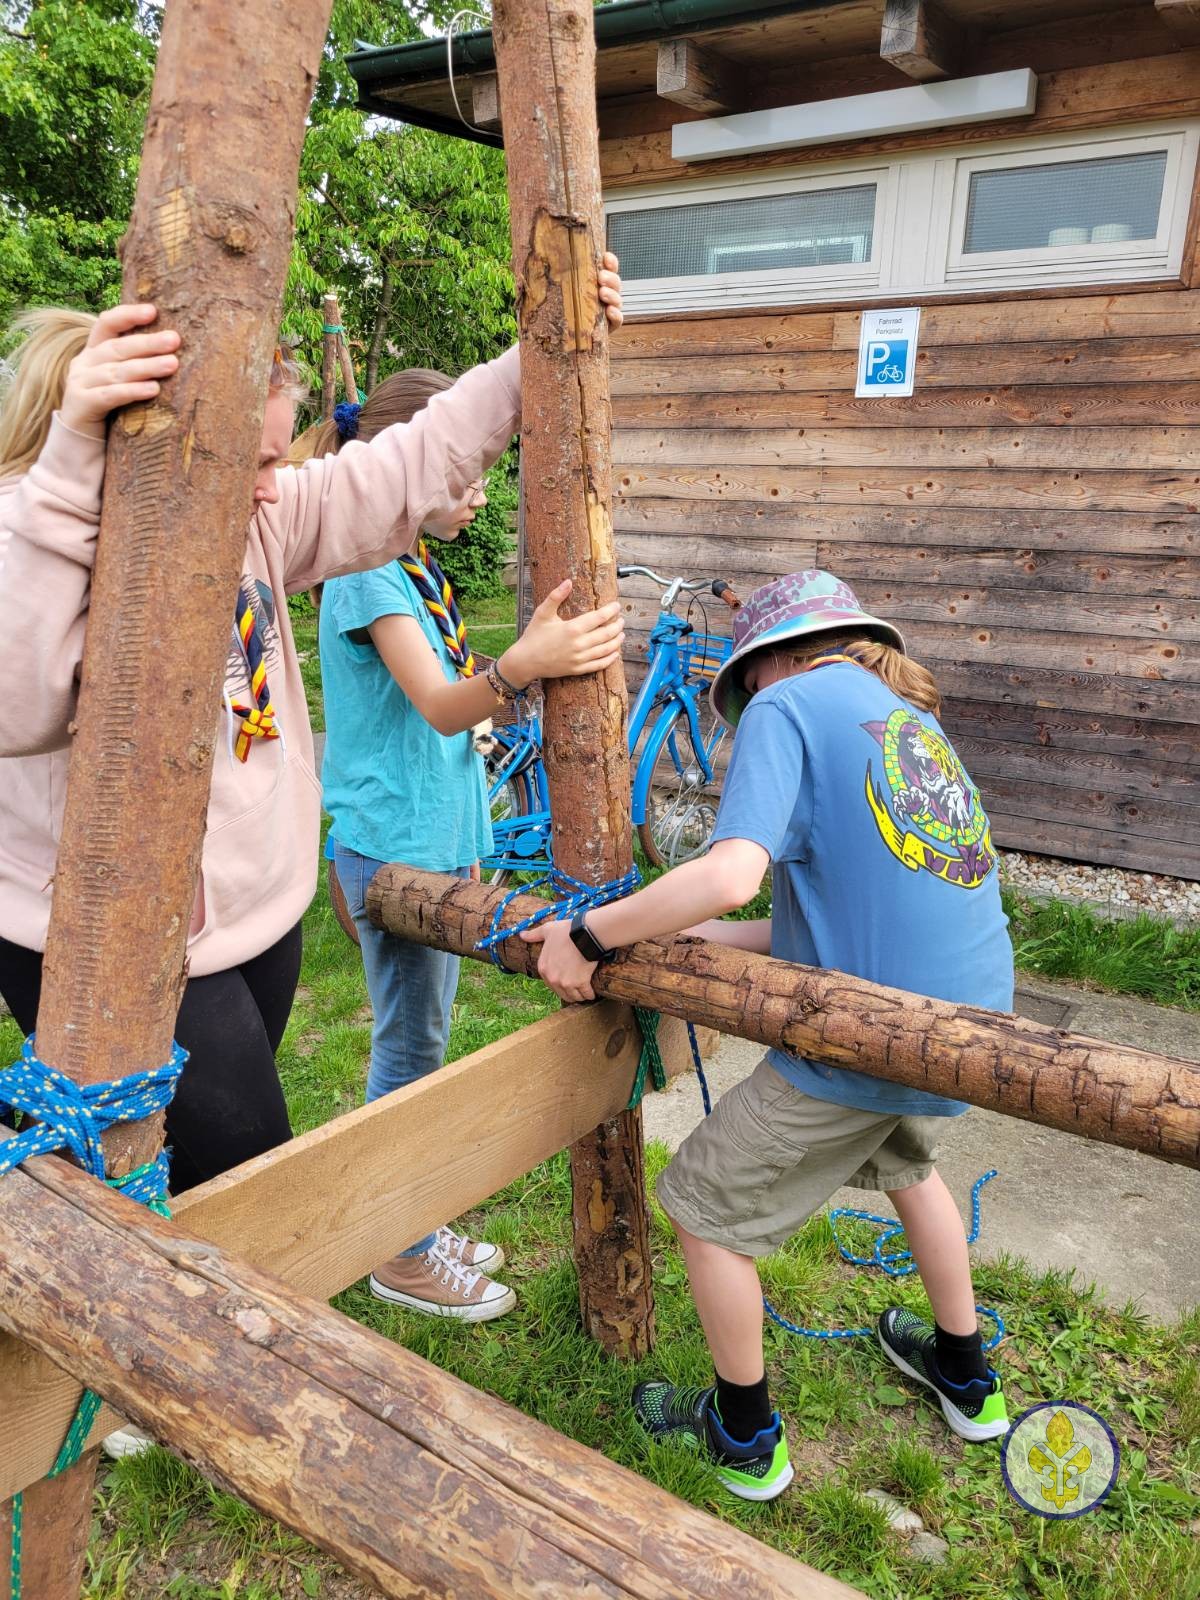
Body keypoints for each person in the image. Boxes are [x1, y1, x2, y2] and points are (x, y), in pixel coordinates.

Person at [0, 255, 624, 1196]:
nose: (272, 484)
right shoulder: (29, 532)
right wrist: (64, 484)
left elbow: (409, 462)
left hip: (258, 913)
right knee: (251, 1179)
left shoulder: (250, 523)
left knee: (178, 1179)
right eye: (252, 461)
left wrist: (536, 351)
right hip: (106, 943)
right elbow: (15, 706)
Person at [523, 570, 1013, 1501]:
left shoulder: (785, 707)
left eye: (747, 685)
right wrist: (697, 936)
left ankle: (744, 1437)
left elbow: (729, 874)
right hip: (966, 1021)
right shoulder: (898, 716)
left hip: (870, 1030)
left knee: (702, 1204)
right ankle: (965, 1375)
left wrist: (589, 934)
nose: (750, 700)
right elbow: (845, 908)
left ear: (770, 664)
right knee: (910, 1169)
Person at [315, 370, 624, 1320]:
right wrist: (522, 664)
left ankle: (411, 1217)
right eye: (465, 467)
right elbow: (443, 707)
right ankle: (399, 1252)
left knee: (425, 1040)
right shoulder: (367, 570)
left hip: (433, 842)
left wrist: (471, 840)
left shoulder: (411, 567)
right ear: (406, 467)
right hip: (391, 850)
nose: (482, 485)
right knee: (409, 1049)